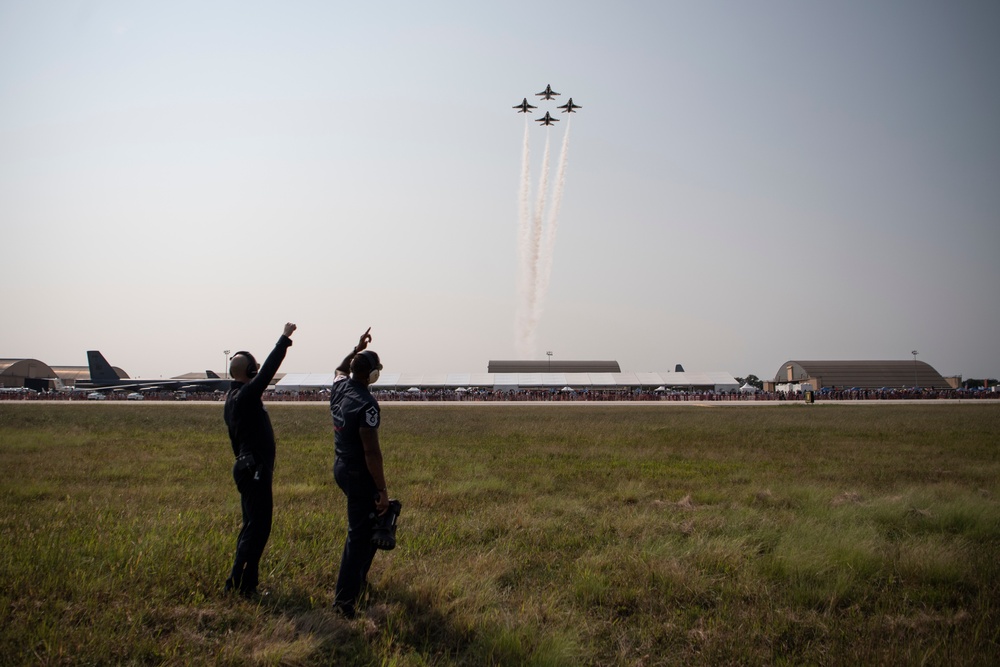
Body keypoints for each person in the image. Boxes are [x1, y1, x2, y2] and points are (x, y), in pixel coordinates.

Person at [223, 322, 297, 598]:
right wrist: (284, 339)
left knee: (252, 527)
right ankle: (239, 585)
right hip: (253, 470)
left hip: (247, 467)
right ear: (250, 372)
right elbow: (268, 372)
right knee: (258, 528)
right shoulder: (245, 395)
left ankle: (245, 583)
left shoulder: (232, 397)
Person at [329, 327, 389, 618]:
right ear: (371, 375)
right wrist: (382, 489)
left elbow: (340, 369)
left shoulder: (339, 387)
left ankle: (359, 581)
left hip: (340, 466)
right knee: (360, 534)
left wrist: (357, 347)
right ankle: (344, 602)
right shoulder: (367, 403)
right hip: (357, 471)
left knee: (370, 523)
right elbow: (371, 452)